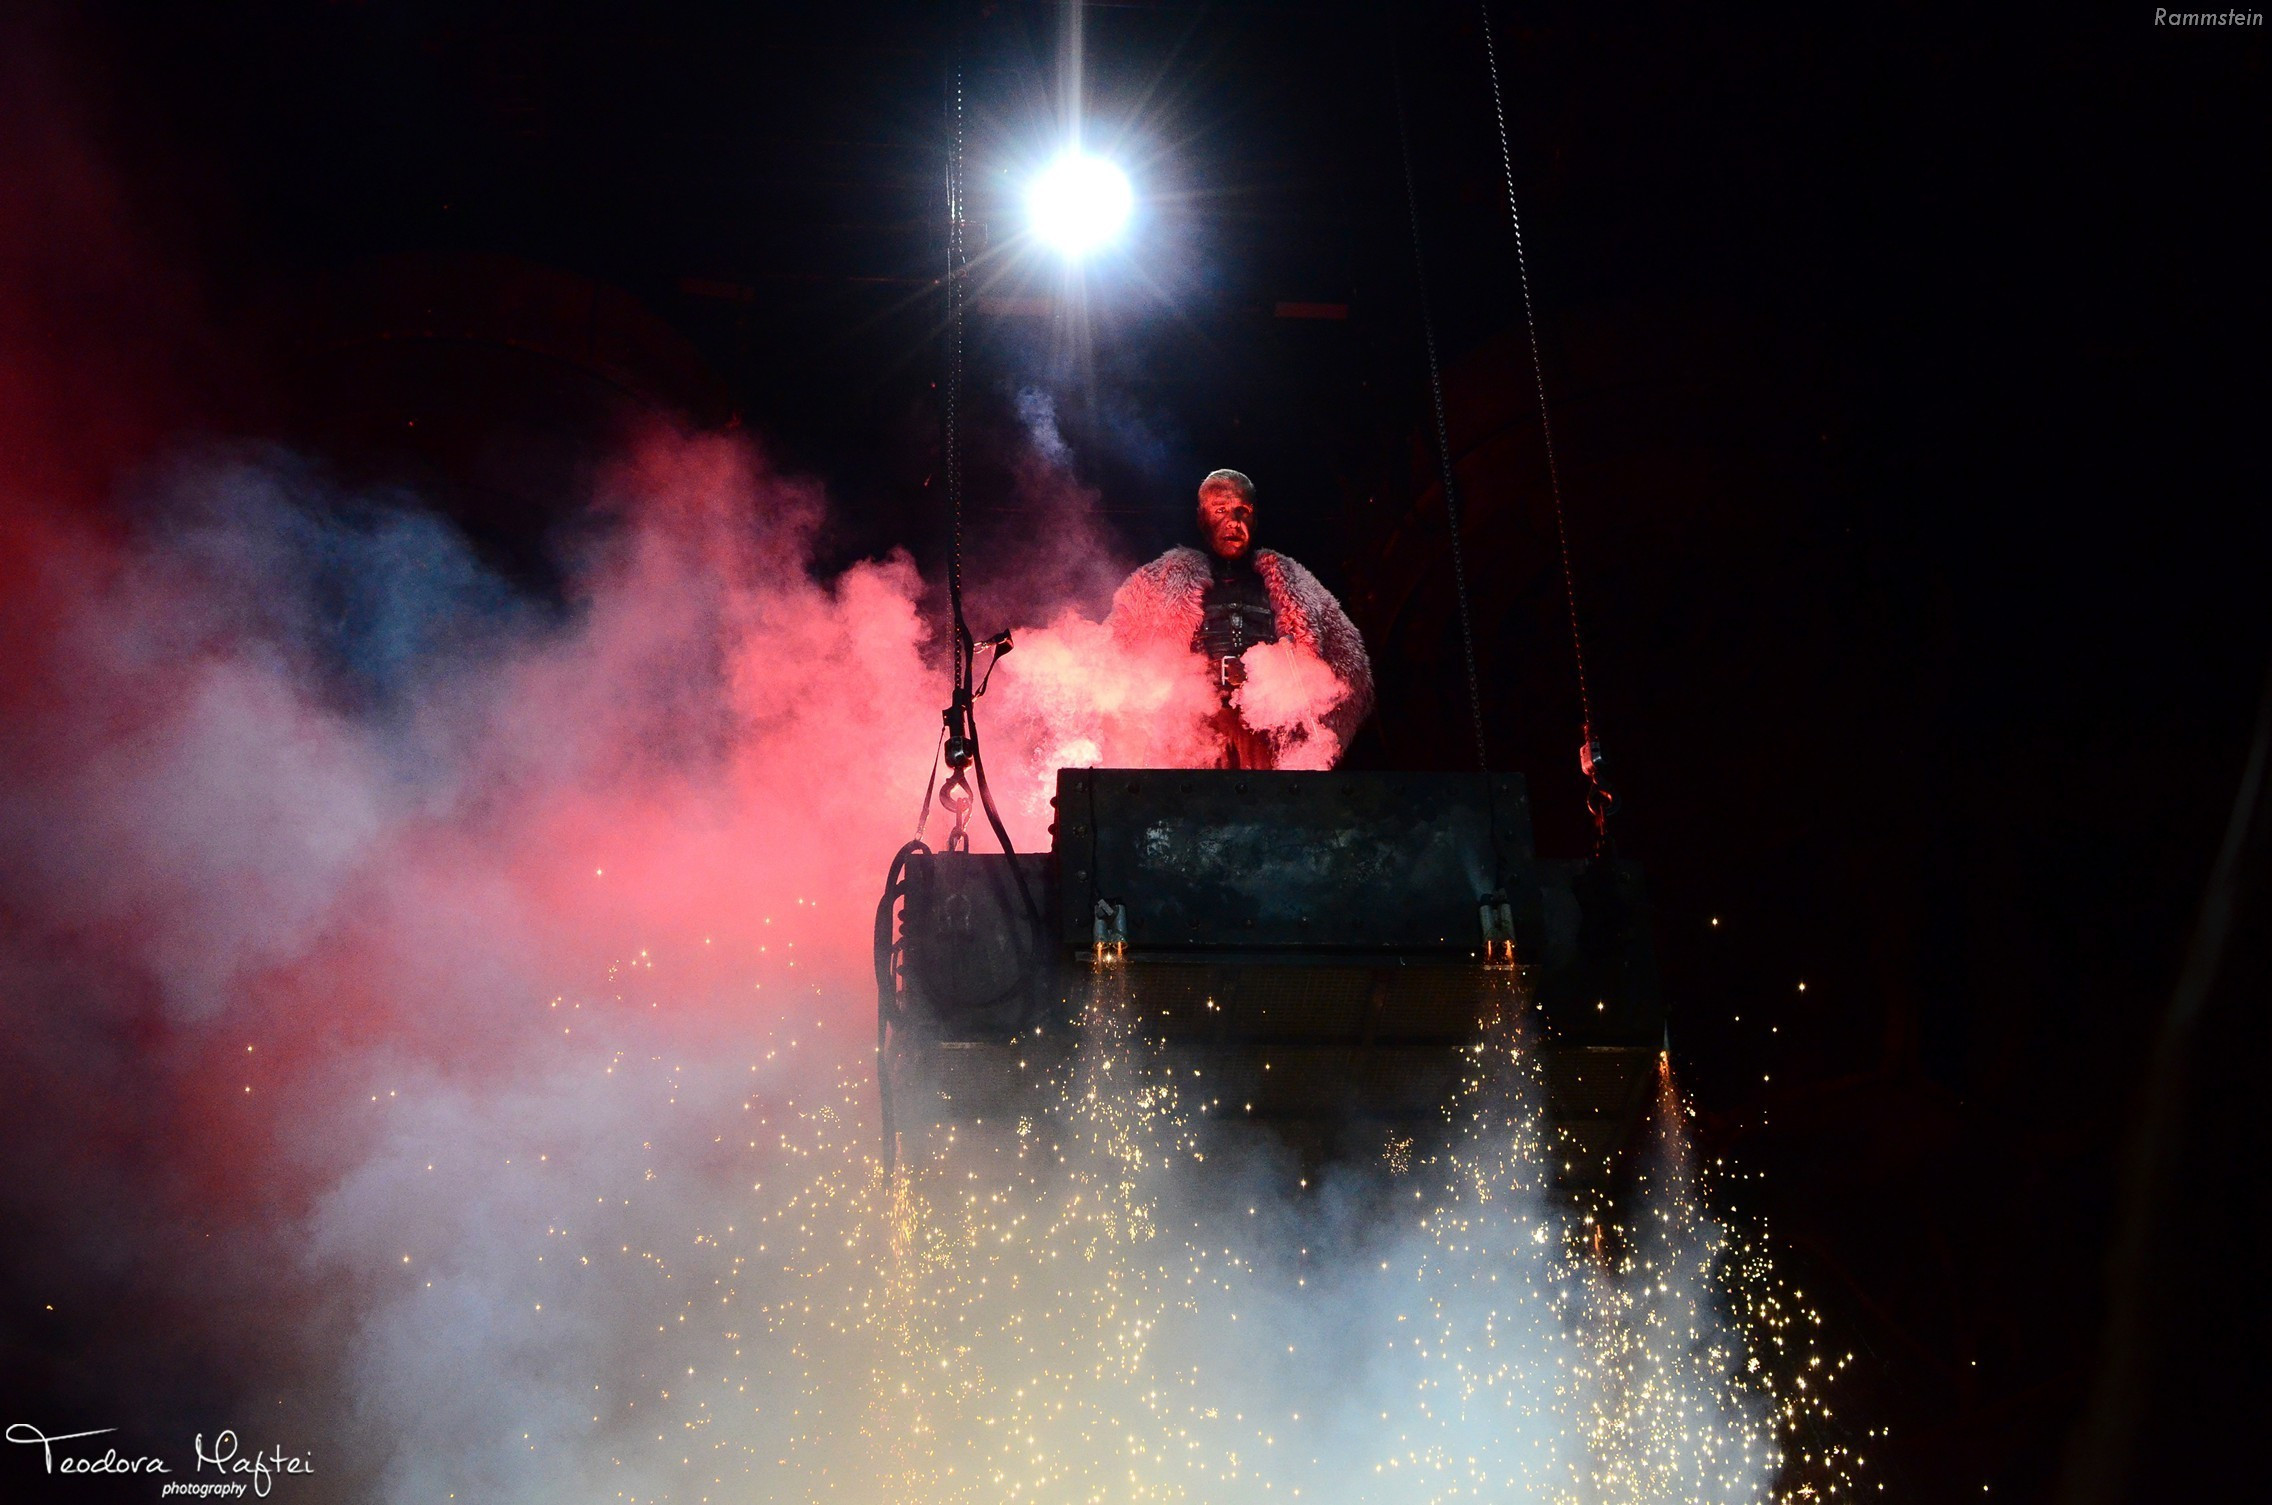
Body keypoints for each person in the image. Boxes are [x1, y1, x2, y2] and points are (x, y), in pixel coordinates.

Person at [1106, 469, 1373, 768]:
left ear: (1254, 518)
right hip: (1192, 728)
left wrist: (1315, 733)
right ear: (1202, 518)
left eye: (1242, 511)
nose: (1233, 521)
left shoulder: (1293, 584)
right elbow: (1113, 652)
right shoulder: (1159, 582)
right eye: (1220, 510)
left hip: (1268, 729)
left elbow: (1350, 667)